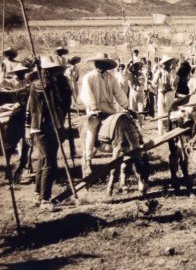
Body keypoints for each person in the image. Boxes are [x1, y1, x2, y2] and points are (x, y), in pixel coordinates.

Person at [25, 56, 69, 209]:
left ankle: (38, 195)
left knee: (44, 162)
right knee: (50, 164)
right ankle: (45, 199)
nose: (55, 74)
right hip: (42, 127)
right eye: (52, 71)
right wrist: (41, 70)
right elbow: (43, 86)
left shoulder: (52, 83)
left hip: (51, 126)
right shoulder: (39, 84)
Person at [79, 53, 129, 175]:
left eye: (104, 64)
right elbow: (86, 93)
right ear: (96, 64)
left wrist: (125, 105)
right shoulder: (89, 77)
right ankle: (87, 160)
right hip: (95, 109)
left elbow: (119, 92)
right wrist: (93, 108)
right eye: (99, 63)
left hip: (109, 109)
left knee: (122, 123)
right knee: (91, 131)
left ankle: (122, 151)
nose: (101, 66)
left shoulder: (111, 78)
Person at [153, 55, 177, 135]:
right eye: (166, 63)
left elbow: (174, 83)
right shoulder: (159, 71)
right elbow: (154, 83)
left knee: (170, 112)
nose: (168, 64)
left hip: (169, 93)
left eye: (168, 62)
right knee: (160, 112)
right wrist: (157, 79)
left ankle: (170, 130)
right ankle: (161, 132)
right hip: (161, 93)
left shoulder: (172, 71)